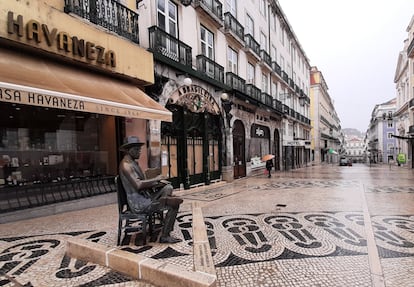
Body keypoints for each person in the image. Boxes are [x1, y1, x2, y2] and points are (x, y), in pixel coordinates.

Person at [118, 136, 183, 244]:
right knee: (174, 205)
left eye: (139, 149)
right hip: (138, 203)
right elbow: (138, 185)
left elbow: (141, 182)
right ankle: (165, 235)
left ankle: (163, 202)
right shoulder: (126, 165)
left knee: (167, 187)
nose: (139, 152)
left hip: (145, 196)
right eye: (137, 149)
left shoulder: (133, 162)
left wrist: (156, 183)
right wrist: (156, 179)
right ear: (129, 150)